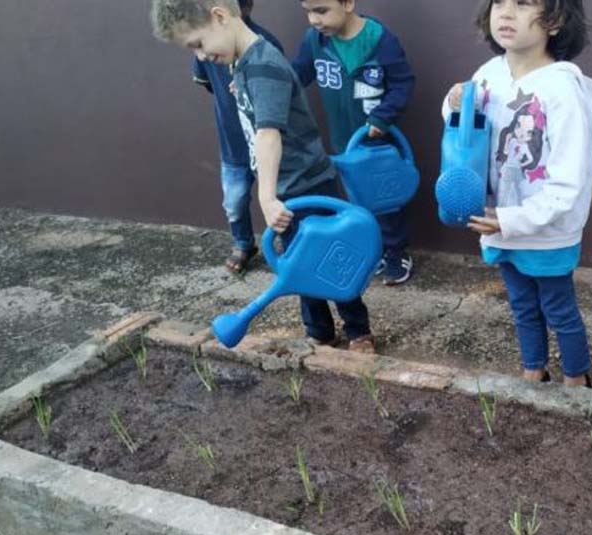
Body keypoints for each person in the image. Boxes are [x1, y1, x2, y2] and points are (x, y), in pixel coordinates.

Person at [152, 0, 377, 352]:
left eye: (198, 44)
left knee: (328, 259)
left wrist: (266, 196)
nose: (200, 55)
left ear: (219, 16)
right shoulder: (242, 62)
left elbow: (268, 134)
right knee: (298, 265)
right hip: (287, 187)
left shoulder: (262, 65)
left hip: (306, 184)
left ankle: (357, 330)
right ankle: (319, 332)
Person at [444, 0, 592, 388]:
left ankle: (578, 380)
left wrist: (511, 219)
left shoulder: (563, 89)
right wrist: (453, 106)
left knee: (559, 309)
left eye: (523, 3)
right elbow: (464, 135)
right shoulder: (488, 75)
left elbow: (568, 183)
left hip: (547, 231)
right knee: (521, 306)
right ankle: (534, 371)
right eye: (499, 2)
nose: (506, 13)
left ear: (557, 20)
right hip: (498, 220)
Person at [292, 0, 417, 285]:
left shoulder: (380, 40)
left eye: (321, 10)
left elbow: (403, 83)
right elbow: (296, 74)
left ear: (347, 3)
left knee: (386, 201)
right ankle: (373, 251)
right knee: (356, 201)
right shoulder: (315, 40)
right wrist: (263, 84)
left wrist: (383, 116)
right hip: (342, 142)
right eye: (308, 12)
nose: (313, 19)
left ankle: (397, 252)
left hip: (376, 142)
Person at [191, 0, 283, 274]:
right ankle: (243, 243)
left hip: (269, 145)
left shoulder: (267, 45)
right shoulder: (206, 48)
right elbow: (206, 83)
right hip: (233, 146)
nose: (203, 54)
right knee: (234, 201)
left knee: (279, 199)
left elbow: (278, 95)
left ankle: (288, 247)